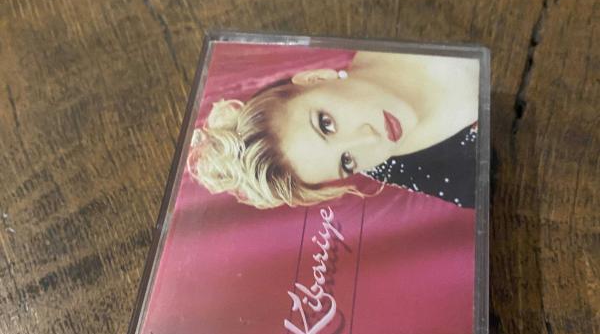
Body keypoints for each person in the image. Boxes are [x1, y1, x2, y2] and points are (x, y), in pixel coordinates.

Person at [187, 50, 480, 210]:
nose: (369, 139)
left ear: (316, 79)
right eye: (347, 162)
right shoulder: (410, 171)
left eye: (326, 124)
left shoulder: (391, 17)